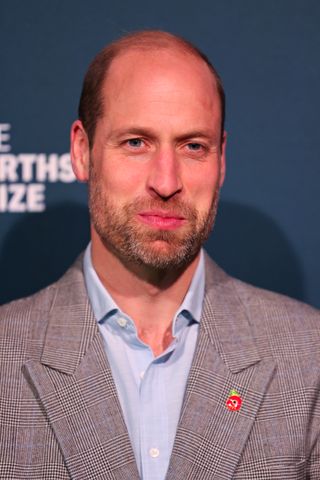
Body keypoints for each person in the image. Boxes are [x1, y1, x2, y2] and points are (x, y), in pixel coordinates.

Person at [0, 30, 319, 480]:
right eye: (136, 143)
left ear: (221, 159)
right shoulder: (6, 356)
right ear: (81, 151)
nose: (166, 182)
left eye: (193, 146)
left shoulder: (309, 357)